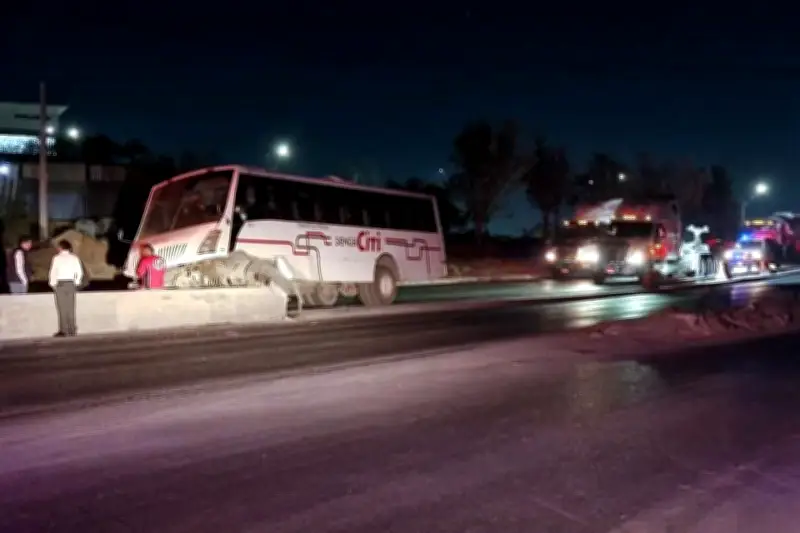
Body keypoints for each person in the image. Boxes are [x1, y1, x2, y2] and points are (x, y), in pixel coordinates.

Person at [48, 239, 84, 337]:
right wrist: (76, 282)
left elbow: (53, 272)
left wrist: (53, 284)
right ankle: (72, 329)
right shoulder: (74, 258)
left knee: (61, 308)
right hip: (70, 283)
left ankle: (63, 330)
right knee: (71, 307)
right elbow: (79, 272)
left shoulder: (56, 258)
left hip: (60, 283)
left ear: (60, 247)